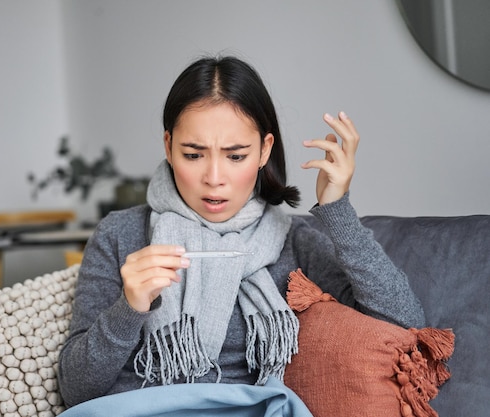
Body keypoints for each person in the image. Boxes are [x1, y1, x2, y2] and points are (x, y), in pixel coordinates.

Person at [57, 55, 425, 412]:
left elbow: (403, 326)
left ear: (265, 150)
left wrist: (337, 209)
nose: (214, 178)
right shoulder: (121, 234)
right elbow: (75, 390)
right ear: (168, 147)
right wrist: (130, 306)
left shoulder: (293, 242)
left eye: (235, 156)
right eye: (193, 154)